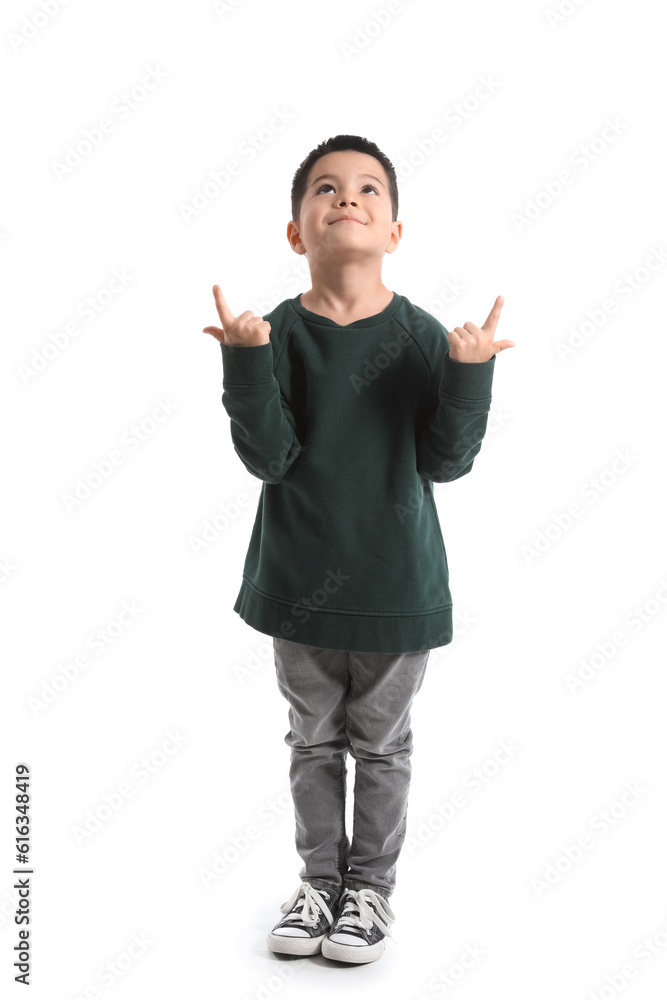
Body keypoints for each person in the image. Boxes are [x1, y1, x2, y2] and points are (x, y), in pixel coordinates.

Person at [203, 134, 514, 965]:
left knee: (380, 746)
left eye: (369, 190)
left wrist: (468, 372)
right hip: (298, 586)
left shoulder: (418, 335)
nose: (349, 199)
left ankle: (368, 893)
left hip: (393, 590)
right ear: (297, 232)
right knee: (312, 741)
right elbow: (269, 458)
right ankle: (318, 883)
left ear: (394, 231)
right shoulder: (271, 331)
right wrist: (244, 362)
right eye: (327, 190)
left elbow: (445, 461)